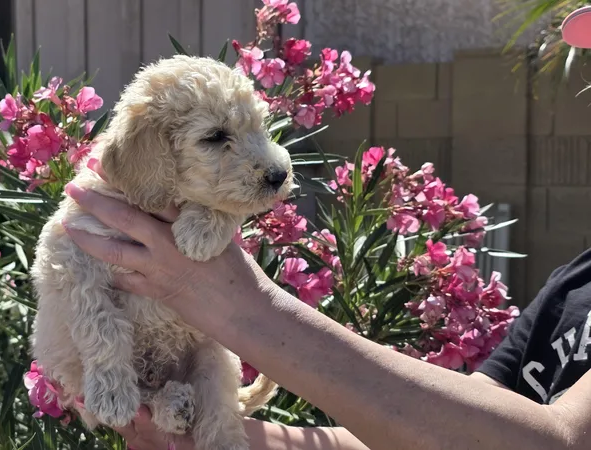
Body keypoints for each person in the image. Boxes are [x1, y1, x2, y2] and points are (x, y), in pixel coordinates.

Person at [60, 157, 591, 450]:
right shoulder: (576, 281)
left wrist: (248, 308)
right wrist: (222, 436)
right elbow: (437, 435)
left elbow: (561, 445)